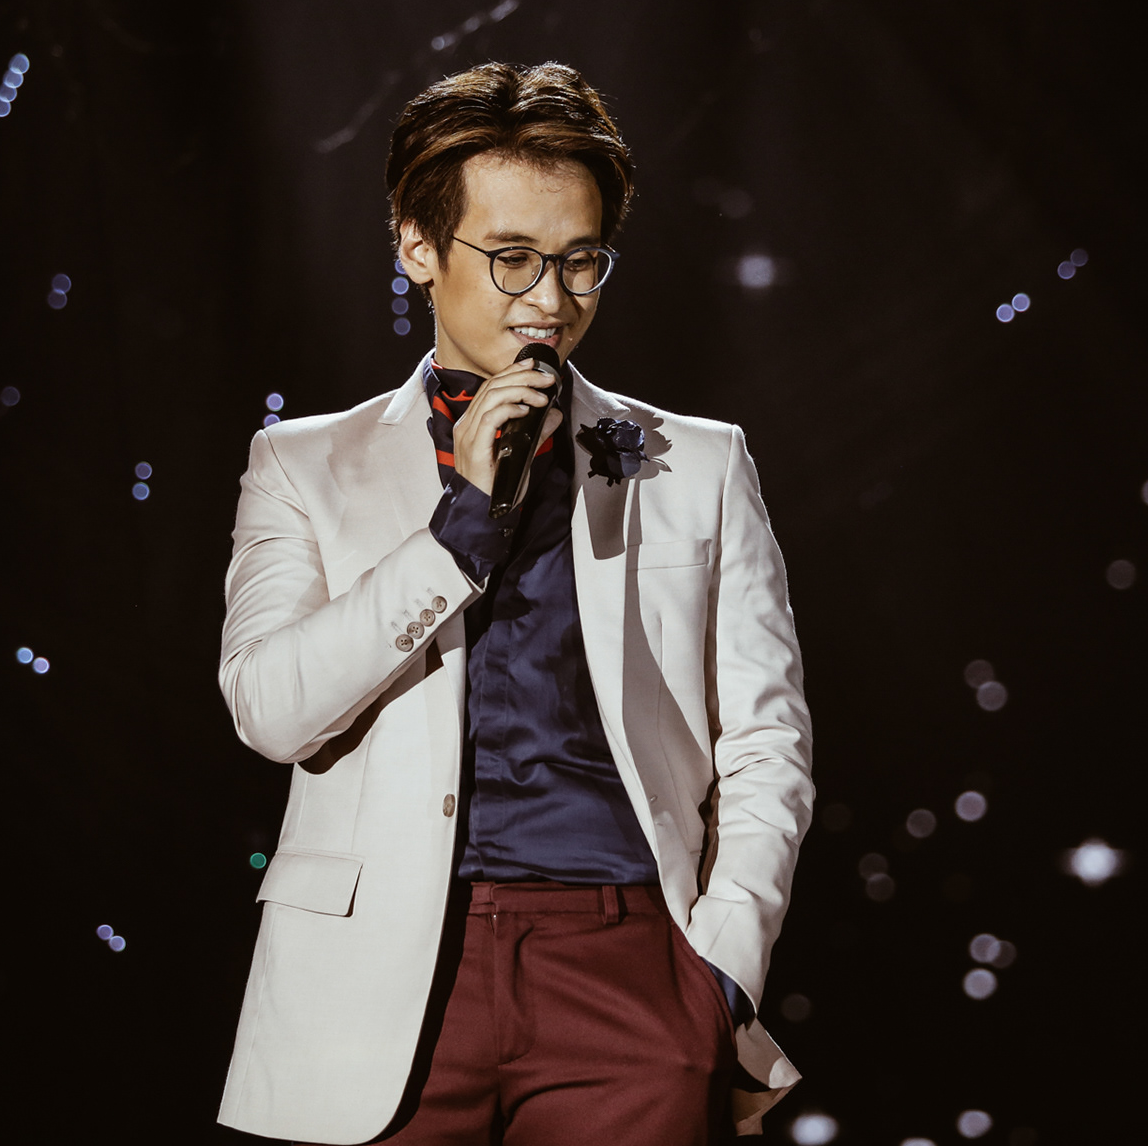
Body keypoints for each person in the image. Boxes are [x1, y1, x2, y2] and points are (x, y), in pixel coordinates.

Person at [215, 61, 814, 1145]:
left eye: (581, 261)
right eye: (513, 259)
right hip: (375, 974)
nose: (551, 300)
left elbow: (767, 739)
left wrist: (719, 969)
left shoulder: (699, 463)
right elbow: (270, 710)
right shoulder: (306, 463)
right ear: (417, 248)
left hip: (628, 967)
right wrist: (457, 530)